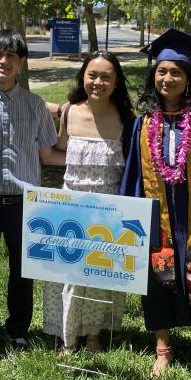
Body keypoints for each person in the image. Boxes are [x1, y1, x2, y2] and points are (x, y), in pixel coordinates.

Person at [121, 29, 191, 377]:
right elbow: (134, 175)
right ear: (153, 76)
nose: (167, 78)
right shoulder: (144, 123)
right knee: (158, 278)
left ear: (188, 78)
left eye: (176, 72)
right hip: (158, 215)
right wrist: (132, 220)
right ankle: (163, 348)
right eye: (161, 71)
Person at [0, 29, 65, 360]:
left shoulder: (36, 106)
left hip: (25, 203)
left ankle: (19, 330)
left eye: (12, 56)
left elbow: (49, 155)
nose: (3, 61)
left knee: (24, 271)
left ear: (21, 63)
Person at [42, 52, 134, 354]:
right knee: (70, 277)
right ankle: (69, 338)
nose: (98, 82)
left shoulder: (125, 119)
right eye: (92, 75)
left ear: (116, 81)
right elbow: (57, 153)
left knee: (98, 277)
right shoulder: (69, 112)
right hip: (71, 206)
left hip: (108, 209)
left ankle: (94, 334)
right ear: (83, 76)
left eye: (106, 76)